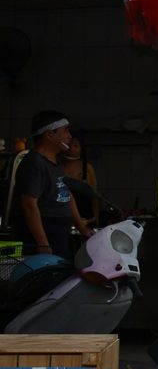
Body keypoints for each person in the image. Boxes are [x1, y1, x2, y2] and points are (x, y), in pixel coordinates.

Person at [13, 110, 93, 259]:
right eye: (65, 131)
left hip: (58, 233)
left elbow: (66, 194)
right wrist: (43, 243)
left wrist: (82, 228)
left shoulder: (56, 162)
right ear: (50, 135)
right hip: (44, 232)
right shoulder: (34, 163)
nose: (69, 136)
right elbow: (29, 204)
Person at [60, 135, 101, 226]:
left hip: (85, 219)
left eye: (76, 146)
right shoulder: (56, 167)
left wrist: (96, 219)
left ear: (81, 149)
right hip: (62, 219)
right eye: (68, 145)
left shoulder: (87, 168)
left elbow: (95, 197)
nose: (71, 149)